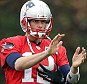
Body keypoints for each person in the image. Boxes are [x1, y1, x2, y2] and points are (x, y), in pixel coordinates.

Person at [0, 0, 86, 84]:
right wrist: (47, 53)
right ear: (25, 22)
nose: (40, 25)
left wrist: (74, 68)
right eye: (35, 21)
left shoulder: (57, 48)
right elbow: (18, 65)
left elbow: (70, 81)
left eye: (44, 21)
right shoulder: (10, 42)